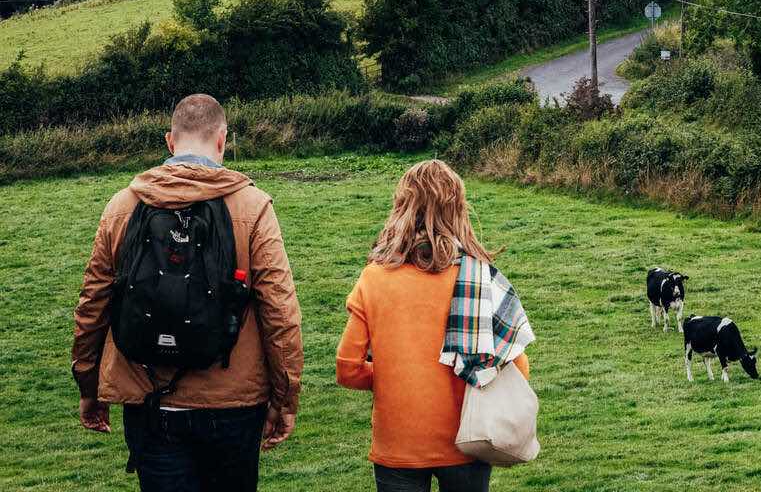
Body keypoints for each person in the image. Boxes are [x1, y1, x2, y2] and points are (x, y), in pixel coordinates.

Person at [72, 93, 304, 491]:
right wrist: (284, 400)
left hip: (149, 401)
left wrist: (89, 386)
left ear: (169, 141)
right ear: (222, 140)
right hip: (233, 402)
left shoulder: (122, 206)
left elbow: (93, 304)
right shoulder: (252, 206)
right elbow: (280, 313)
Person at [337, 159, 534, 492]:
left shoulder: (374, 278)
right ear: (458, 210)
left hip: (397, 444)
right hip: (467, 439)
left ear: (401, 208)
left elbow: (347, 368)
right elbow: (518, 369)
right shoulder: (480, 277)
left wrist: (394, 376)